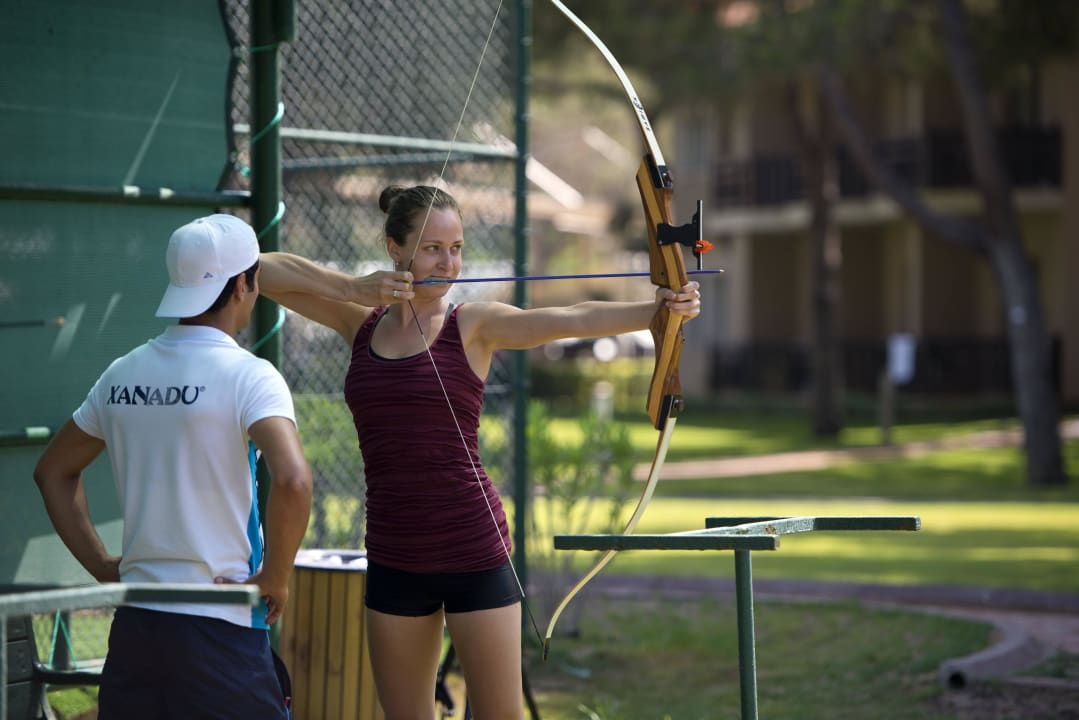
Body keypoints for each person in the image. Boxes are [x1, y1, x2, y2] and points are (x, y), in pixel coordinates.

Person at [258, 184, 701, 720]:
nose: (448, 263)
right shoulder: (360, 325)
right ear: (395, 248)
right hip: (395, 556)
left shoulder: (474, 325)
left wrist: (658, 308)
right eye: (432, 248)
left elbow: (573, 318)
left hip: (473, 548)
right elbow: (258, 269)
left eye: (458, 248)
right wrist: (354, 287)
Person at [34, 214, 313, 719]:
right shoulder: (251, 376)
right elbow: (293, 480)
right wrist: (276, 578)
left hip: (137, 631)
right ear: (243, 287)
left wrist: (101, 564)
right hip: (222, 630)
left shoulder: (122, 372)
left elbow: (52, 472)